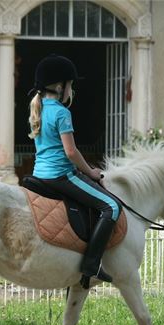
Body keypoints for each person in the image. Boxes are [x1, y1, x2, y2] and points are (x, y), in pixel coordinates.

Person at [27, 54, 122, 288]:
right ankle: (92, 264)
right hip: (61, 175)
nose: (71, 89)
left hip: (40, 174)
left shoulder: (39, 109)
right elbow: (71, 152)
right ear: (60, 87)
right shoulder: (61, 112)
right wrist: (90, 172)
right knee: (112, 206)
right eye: (71, 84)